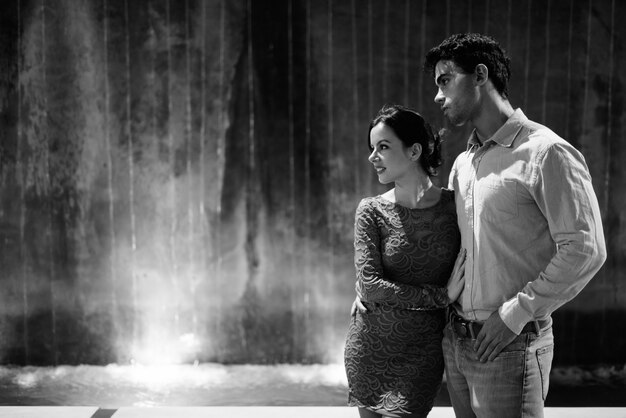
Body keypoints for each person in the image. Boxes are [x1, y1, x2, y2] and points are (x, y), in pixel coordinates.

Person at [424, 33, 607, 417]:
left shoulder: (546, 152)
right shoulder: (464, 163)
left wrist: (517, 312)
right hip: (457, 342)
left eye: (445, 81)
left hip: (511, 345)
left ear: (480, 75)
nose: (438, 96)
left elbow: (586, 248)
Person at [344, 104, 465, 418]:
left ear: (414, 151)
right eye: (372, 148)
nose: (373, 157)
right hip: (370, 347)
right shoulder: (370, 210)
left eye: (383, 147)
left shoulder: (456, 207)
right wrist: (440, 296)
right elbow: (370, 287)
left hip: (423, 353)